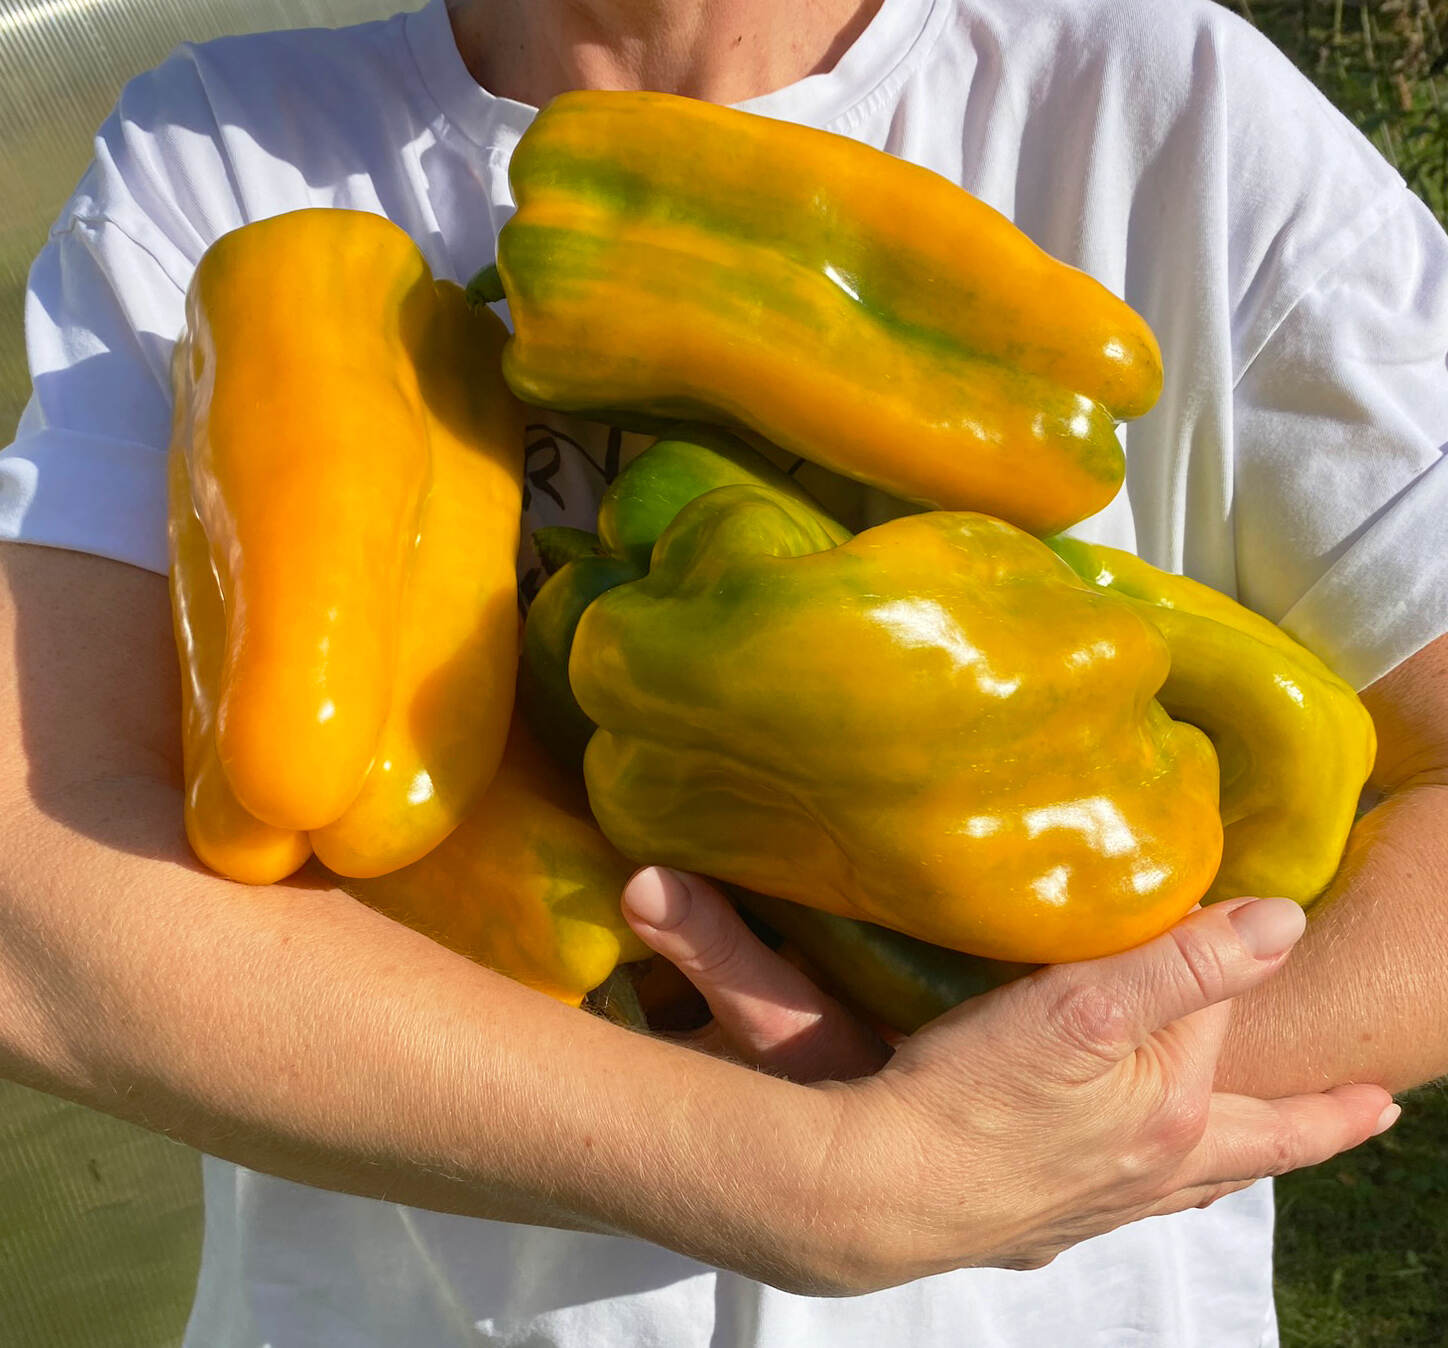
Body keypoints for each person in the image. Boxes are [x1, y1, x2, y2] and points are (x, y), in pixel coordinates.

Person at [0, 0, 1444, 1343]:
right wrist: (795, 1173)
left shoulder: (1156, 103)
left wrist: (1056, 1105)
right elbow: (38, 893)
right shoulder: (218, 150)